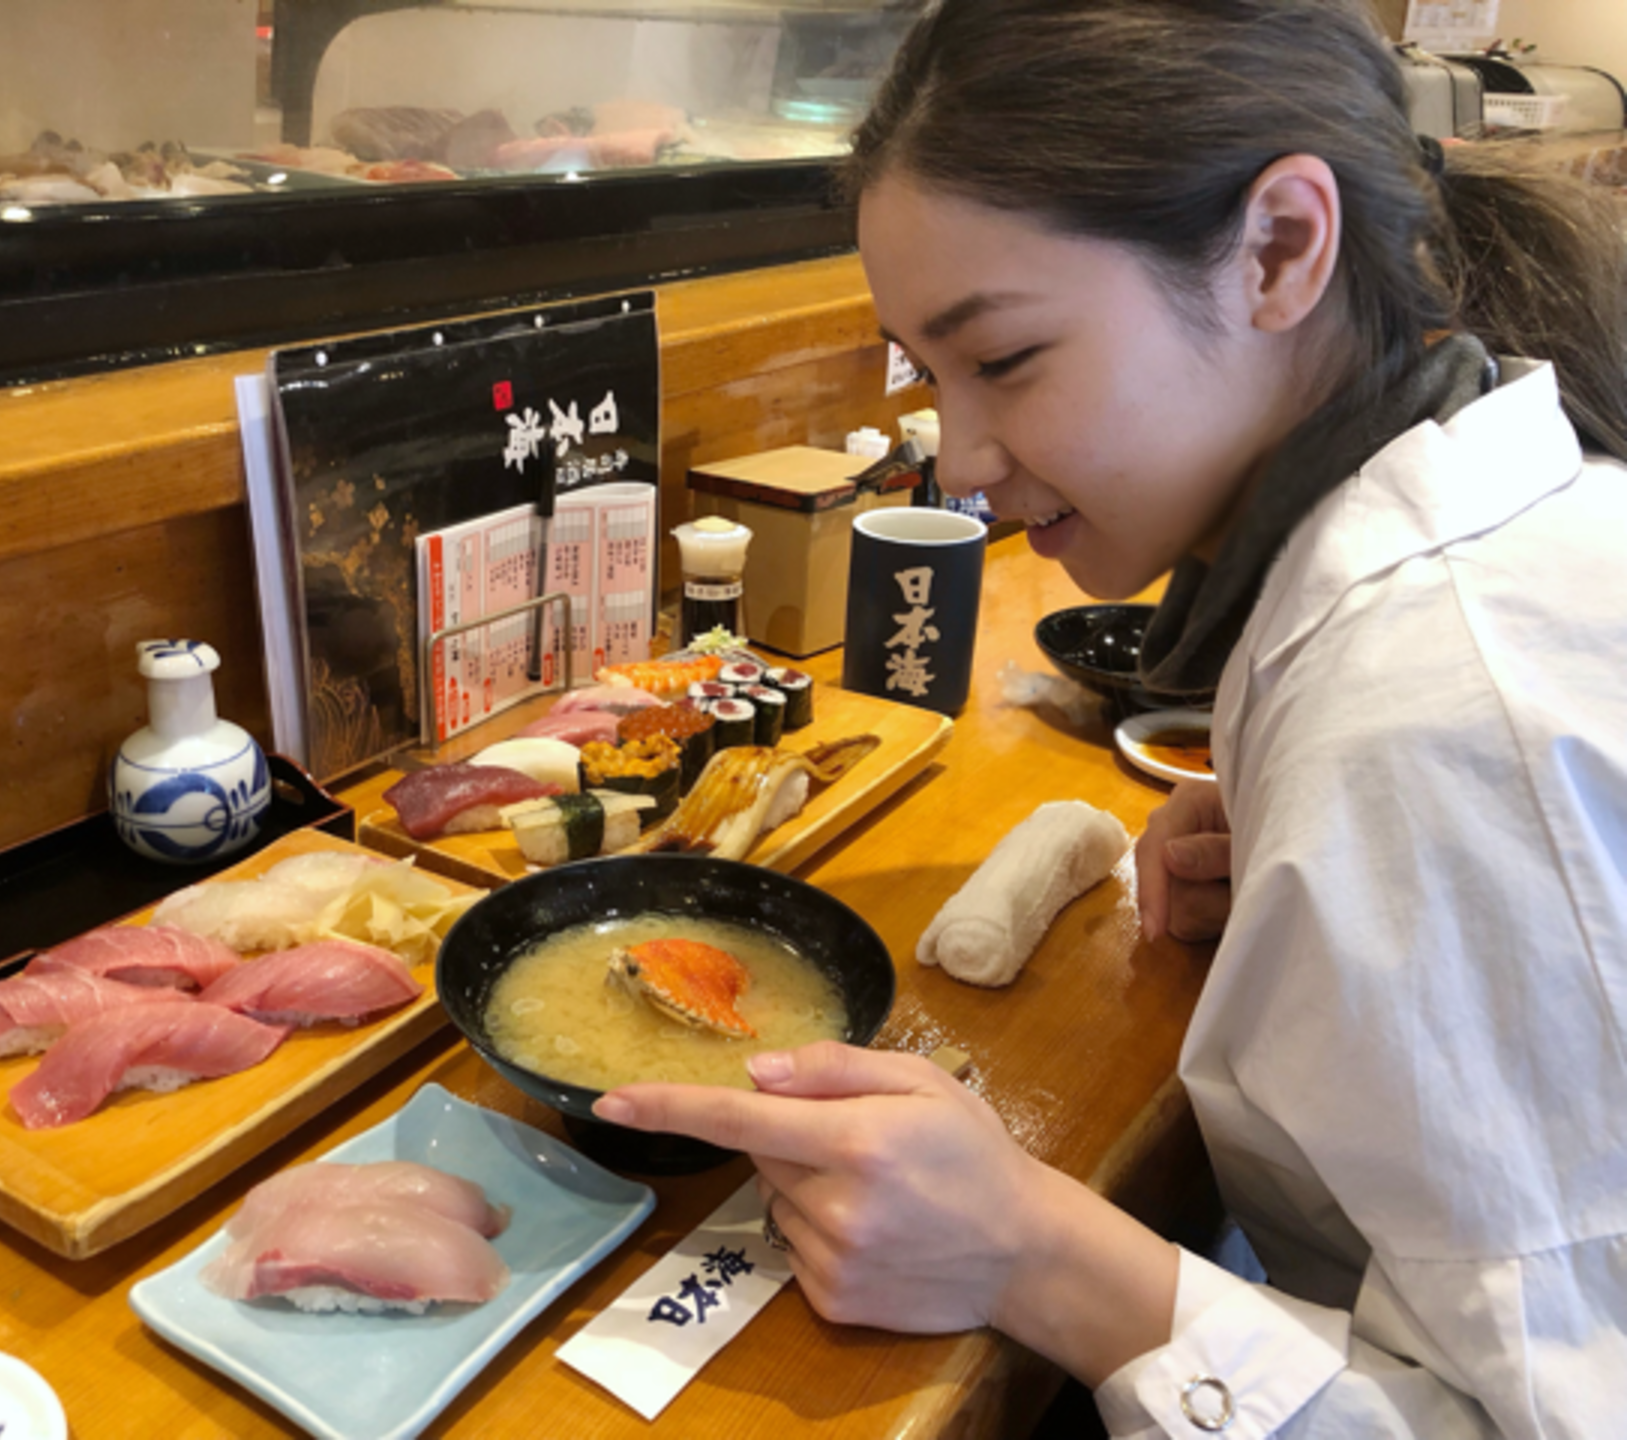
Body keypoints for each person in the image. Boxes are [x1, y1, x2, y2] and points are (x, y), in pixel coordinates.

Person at [591, 0, 1627, 1433]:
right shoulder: (1458, 553)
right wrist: (1284, 843)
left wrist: (1035, 1255)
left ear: (1280, 248)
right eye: (927, 373)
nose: (960, 461)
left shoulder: (1439, 721)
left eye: (1005, 360)